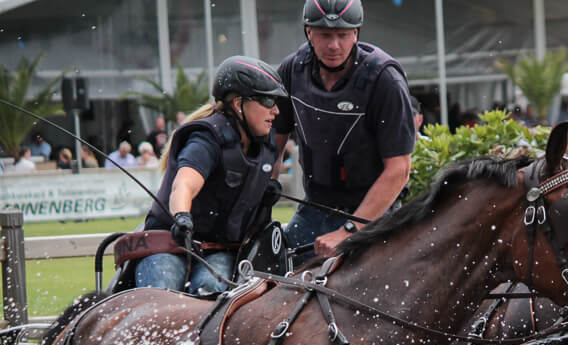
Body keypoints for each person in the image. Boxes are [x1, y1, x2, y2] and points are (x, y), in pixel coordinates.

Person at [274, 0, 416, 259]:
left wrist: (349, 230)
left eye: (342, 35)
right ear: (309, 33)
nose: (334, 45)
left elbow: (399, 170)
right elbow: (274, 143)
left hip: (372, 214)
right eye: (325, 35)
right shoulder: (292, 71)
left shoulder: (385, 80)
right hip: (315, 207)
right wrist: (261, 204)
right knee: (272, 271)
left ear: (356, 34)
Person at [134, 55, 286, 294]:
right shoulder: (207, 139)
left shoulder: (266, 148)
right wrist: (181, 217)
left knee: (211, 292)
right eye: (267, 101)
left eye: (275, 102)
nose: (275, 110)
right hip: (168, 242)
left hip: (218, 249)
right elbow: (184, 184)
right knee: (161, 294)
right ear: (238, 103)